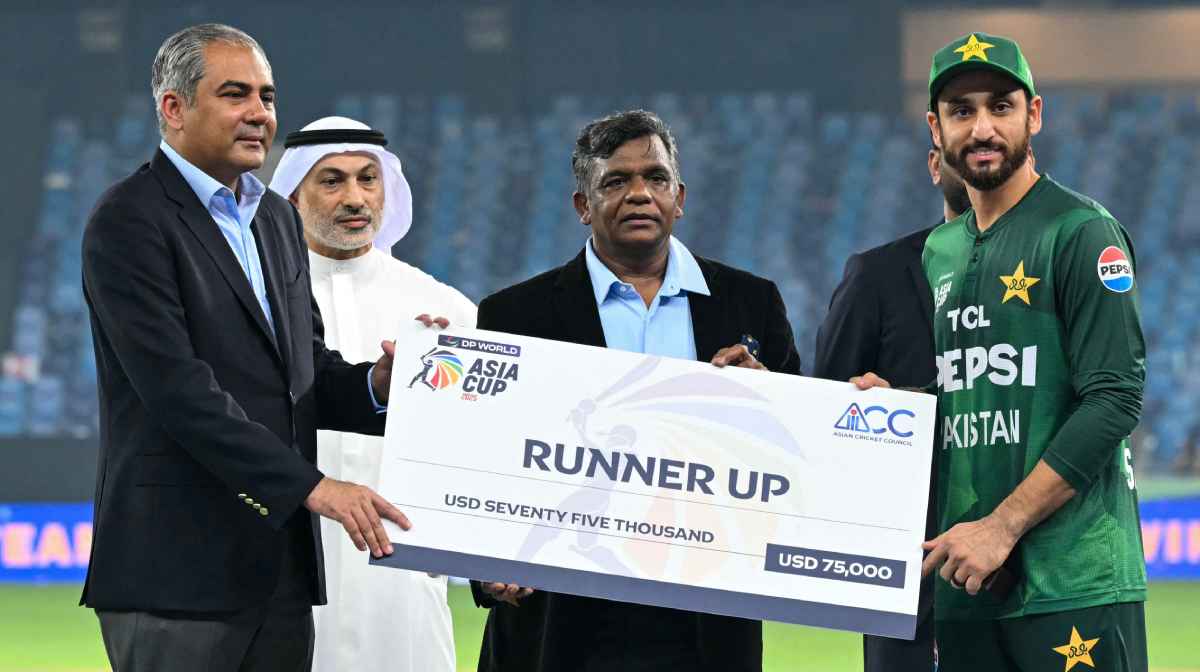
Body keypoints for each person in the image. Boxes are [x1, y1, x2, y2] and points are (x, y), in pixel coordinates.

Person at [80, 24, 411, 672]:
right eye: (236, 94)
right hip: (175, 572)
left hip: (279, 572)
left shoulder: (276, 220)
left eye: (267, 95)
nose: (260, 113)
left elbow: (303, 371)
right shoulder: (128, 220)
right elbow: (178, 392)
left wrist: (376, 382)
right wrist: (315, 487)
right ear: (173, 108)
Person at [854, 32, 1147, 671]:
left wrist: (1002, 526)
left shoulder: (1082, 232)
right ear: (935, 129)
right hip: (969, 584)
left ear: (1033, 114)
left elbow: (1115, 397)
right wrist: (905, 406)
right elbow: (986, 385)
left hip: (1072, 584)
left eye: (1000, 107)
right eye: (962, 111)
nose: (982, 127)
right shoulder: (943, 252)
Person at [469, 110, 801, 672]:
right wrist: (484, 564)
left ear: (680, 197)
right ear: (583, 206)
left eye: (656, 178)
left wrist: (768, 400)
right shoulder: (512, 314)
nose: (640, 194)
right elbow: (478, 458)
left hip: (706, 621)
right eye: (615, 181)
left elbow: (796, 454)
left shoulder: (751, 302)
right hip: (558, 619)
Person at [269, 115, 475, 672]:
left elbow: (479, 451)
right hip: (285, 568)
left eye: (367, 178)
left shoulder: (446, 310)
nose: (355, 198)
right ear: (291, 195)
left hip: (403, 576)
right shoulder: (256, 301)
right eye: (331, 181)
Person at [813, 147, 969, 672]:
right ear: (932, 165)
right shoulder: (877, 275)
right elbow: (825, 415)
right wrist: (858, 407)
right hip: (911, 572)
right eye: (957, 149)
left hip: (1032, 561)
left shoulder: (1053, 273)